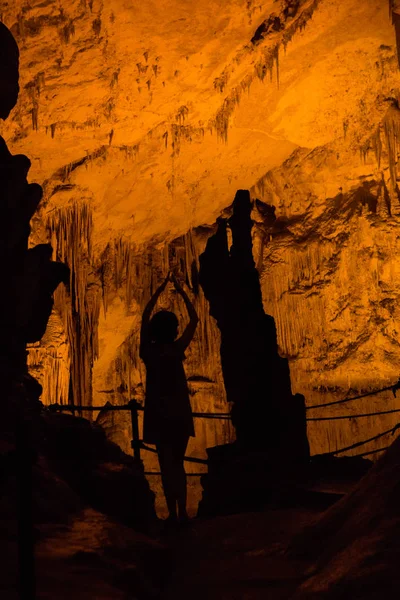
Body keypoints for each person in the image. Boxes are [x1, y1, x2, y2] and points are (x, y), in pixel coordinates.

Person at [140, 272, 199, 526]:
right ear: (172, 330)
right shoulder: (176, 350)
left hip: (159, 414)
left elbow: (144, 317)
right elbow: (195, 319)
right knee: (179, 465)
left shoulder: (149, 352)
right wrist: (181, 290)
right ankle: (183, 512)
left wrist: (160, 288)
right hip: (178, 413)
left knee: (166, 466)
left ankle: (173, 514)